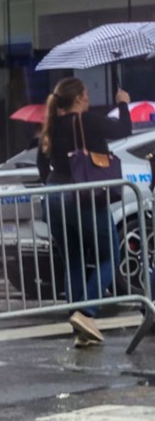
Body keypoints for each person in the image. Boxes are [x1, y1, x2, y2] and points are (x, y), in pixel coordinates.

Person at [37, 78, 131, 347]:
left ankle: (79, 326)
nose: (88, 99)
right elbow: (123, 127)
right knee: (109, 255)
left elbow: (41, 165)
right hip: (83, 195)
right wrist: (122, 104)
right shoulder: (86, 121)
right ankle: (87, 313)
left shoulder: (51, 127)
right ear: (78, 98)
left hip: (53, 196)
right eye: (87, 94)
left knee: (73, 259)